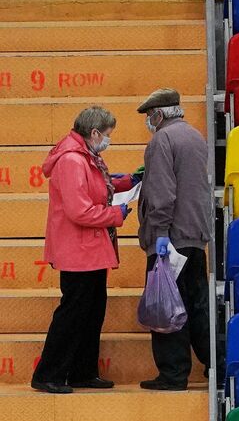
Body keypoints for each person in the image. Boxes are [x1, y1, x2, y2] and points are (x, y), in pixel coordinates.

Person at [31, 107, 134, 394]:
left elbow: (97, 187)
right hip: (78, 250)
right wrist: (115, 214)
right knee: (74, 313)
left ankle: (82, 371)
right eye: (108, 134)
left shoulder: (84, 156)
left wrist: (126, 182)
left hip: (88, 249)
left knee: (92, 311)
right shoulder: (73, 161)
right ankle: (48, 374)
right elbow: (80, 211)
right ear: (94, 133)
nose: (109, 140)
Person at [135, 88, 213, 391]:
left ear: (158, 114)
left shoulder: (161, 141)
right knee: (197, 304)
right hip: (195, 235)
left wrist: (161, 234)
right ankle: (213, 364)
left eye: (148, 116)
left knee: (165, 303)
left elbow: (162, 195)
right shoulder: (195, 137)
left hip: (170, 237)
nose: (148, 122)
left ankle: (173, 373)